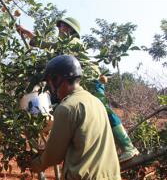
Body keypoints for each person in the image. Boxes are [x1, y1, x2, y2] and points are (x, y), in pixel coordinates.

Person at [18, 17, 139, 162]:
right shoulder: (64, 45)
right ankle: (47, 142)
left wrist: (31, 36)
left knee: (104, 110)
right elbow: (50, 46)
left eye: (61, 26)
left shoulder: (72, 42)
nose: (59, 29)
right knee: (56, 104)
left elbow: (50, 46)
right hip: (78, 80)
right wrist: (28, 34)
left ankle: (128, 147)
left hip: (92, 79)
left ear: (70, 29)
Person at [29, 55, 122, 180]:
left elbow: (54, 156)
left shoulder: (67, 107)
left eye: (50, 81)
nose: (50, 88)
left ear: (59, 79)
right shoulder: (96, 102)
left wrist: (35, 163)